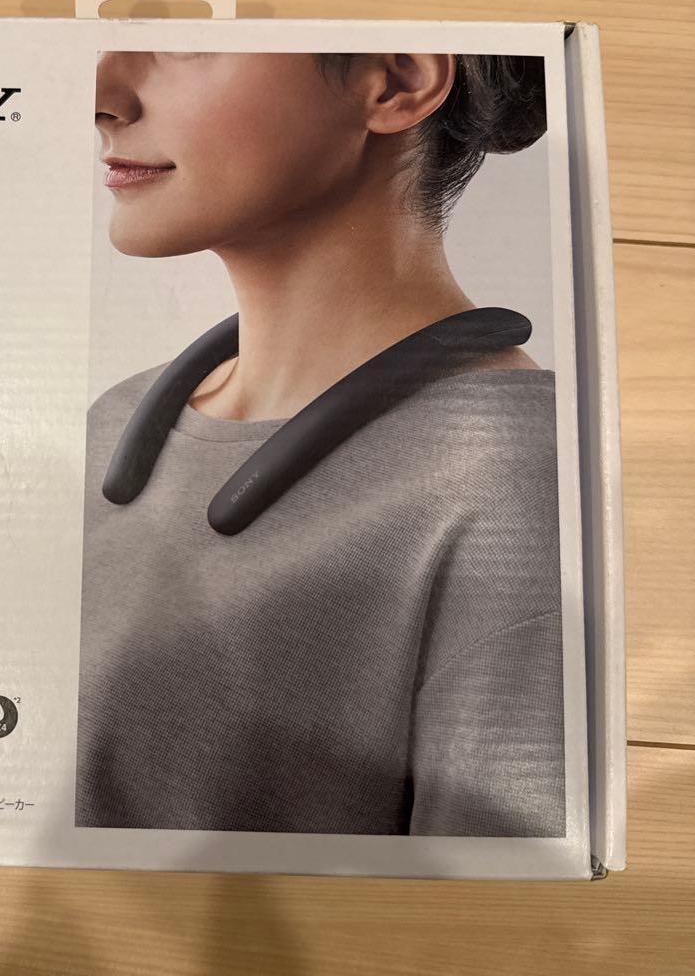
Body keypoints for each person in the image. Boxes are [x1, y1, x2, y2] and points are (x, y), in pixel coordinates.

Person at [74, 51, 565, 837]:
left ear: (396, 81)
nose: (101, 95)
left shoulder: (519, 483)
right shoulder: (110, 424)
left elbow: (494, 905)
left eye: (185, 46)